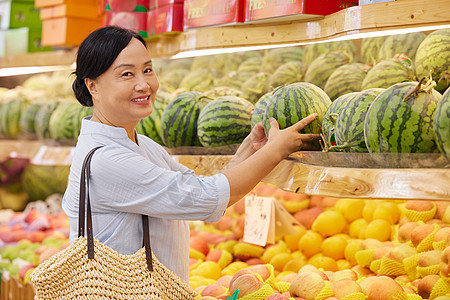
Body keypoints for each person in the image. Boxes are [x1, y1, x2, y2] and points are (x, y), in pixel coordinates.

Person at [62, 25, 321, 283]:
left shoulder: (140, 144)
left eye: (148, 70)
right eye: (127, 74)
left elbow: (202, 190)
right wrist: (276, 151)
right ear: (92, 85)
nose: (144, 84)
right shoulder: (107, 160)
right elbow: (205, 199)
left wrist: (250, 150)